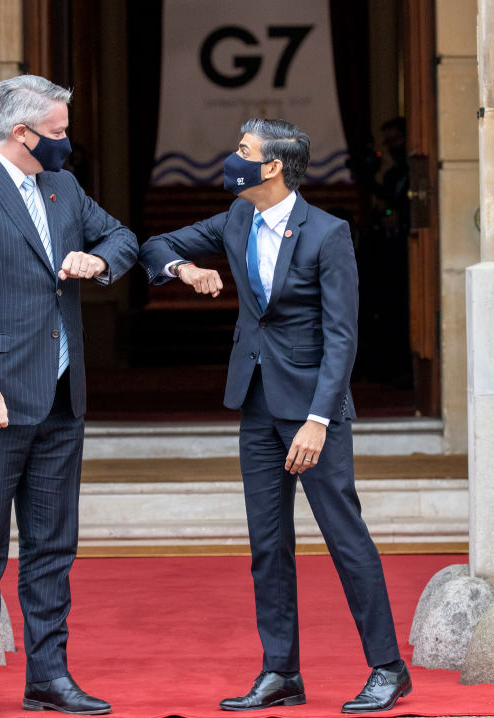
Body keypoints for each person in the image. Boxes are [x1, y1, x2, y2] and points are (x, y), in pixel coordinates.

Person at [138, 119, 412, 714]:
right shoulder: (236, 218)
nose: (231, 159)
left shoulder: (328, 233)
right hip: (257, 403)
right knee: (267, 544)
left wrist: (319, 419)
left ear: (273, 167)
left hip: (313, 411)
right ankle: (280, 671)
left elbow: (342, 336)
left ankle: (389, 668)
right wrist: (186, 270)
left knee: (344, 537)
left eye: (243, 151)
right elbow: (155, 245)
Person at [0, 74, 138, 718]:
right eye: (58, 131)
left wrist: (99, 262)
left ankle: (48, 677)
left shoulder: (63, 186)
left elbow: (122, 238)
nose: (67, 140)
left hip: (60, 398)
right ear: (23, 133)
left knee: (51, 548)